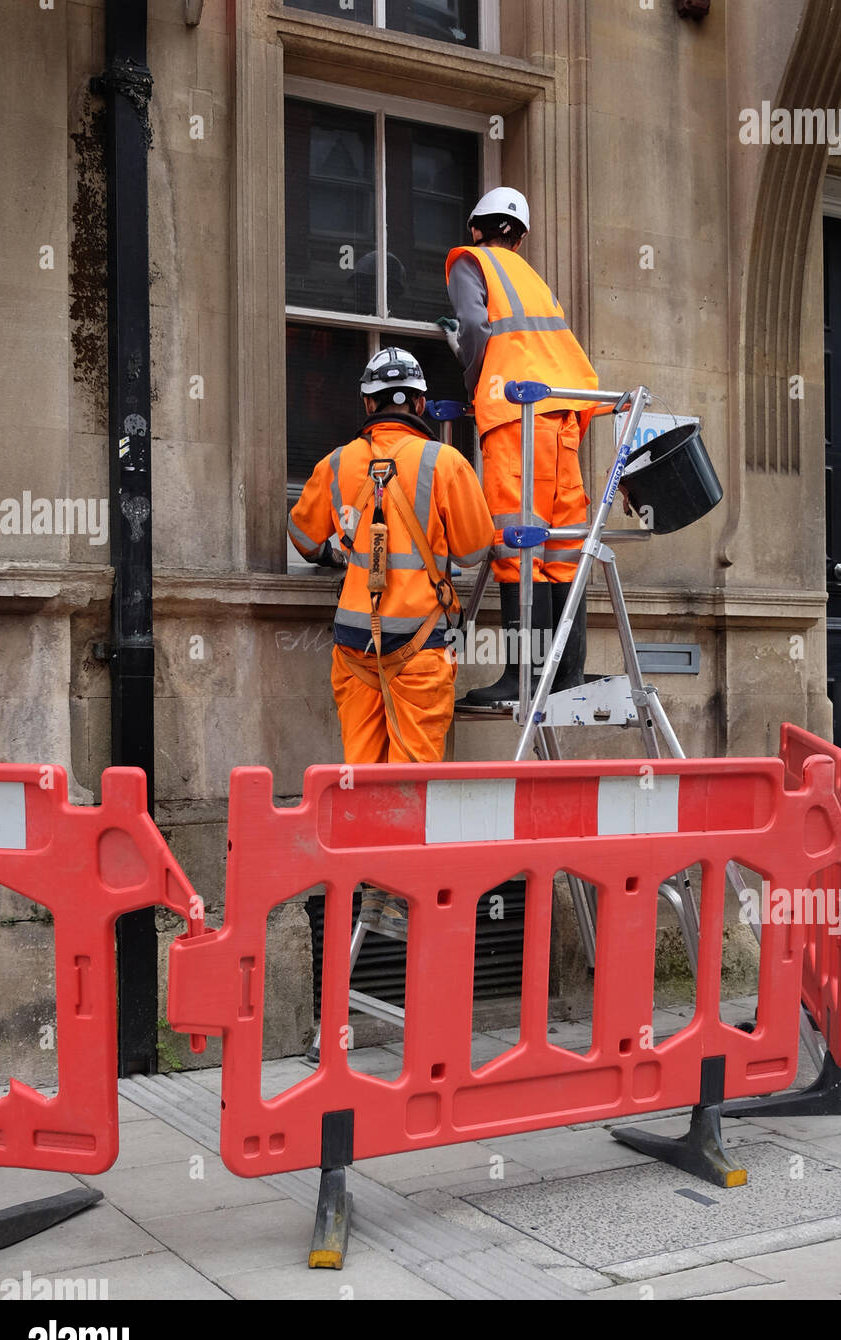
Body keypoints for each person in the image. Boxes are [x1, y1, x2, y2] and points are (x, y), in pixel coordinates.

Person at [288, 346, 493, 950]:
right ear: (423, 404)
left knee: (359, 779)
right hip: (419, 648)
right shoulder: (447, 463)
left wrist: (345, 554)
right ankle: (401, 905)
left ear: (369, 403)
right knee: (414, 782)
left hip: (354, 649)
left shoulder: (337, 463)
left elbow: (303, 537)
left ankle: (360, 885)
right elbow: (479, 550)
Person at [444, 186, 599, 706]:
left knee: (517, 542)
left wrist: (474, 382)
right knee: (561, 548)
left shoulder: (471, 262)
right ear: (521, 236)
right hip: (562, 419)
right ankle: (567, 674)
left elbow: (471, 325)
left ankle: (523, 676)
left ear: (475, 228)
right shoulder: (534, 280)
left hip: (516, 418)